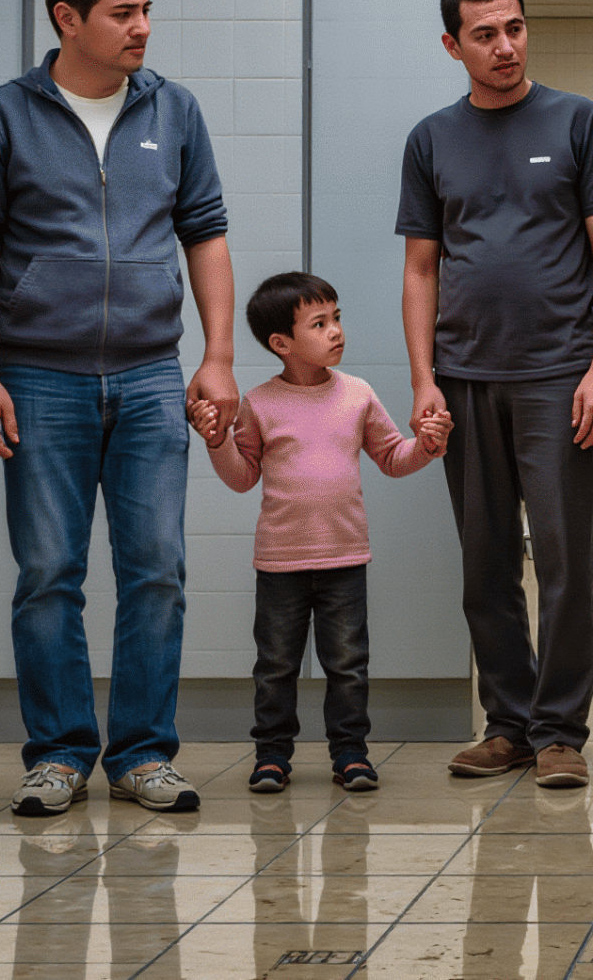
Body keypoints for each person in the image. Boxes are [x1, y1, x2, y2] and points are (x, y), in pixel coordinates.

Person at [0, 0, 237, 816]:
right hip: (38, 378)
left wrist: (217, 357)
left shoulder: (173, 110)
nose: (143, 26)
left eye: (146, 9)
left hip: (151, 375)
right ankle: (60, 754)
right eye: (123, 11)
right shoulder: (2, 116)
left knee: (158, 570)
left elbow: (207, 235)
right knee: (47, 575)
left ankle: (144, 754)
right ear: (69, 18)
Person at [398, 0, 593, 789]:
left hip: (558, 375)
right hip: (463, 377)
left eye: (516, 29)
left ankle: (560, 729)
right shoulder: (432, 139)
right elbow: (421, 268)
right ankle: (508, 723)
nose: (506, 46)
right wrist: (424, 379)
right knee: (484, 561)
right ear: (452, 44)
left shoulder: (577, 121)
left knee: (567, 559)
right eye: (486, 34)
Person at [191, 272, 451, 796]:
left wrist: (426, 445)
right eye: (320, 323)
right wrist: (218, 439)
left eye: (336, 318)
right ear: (280, 344)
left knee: (349, 666)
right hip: (280, 565)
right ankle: (272, 757)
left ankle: (350, 754)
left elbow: (392, 459)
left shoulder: (357, 395)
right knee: (276, 667)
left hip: (345, 559)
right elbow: (242, 478)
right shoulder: (259, 403)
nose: (336, 331)